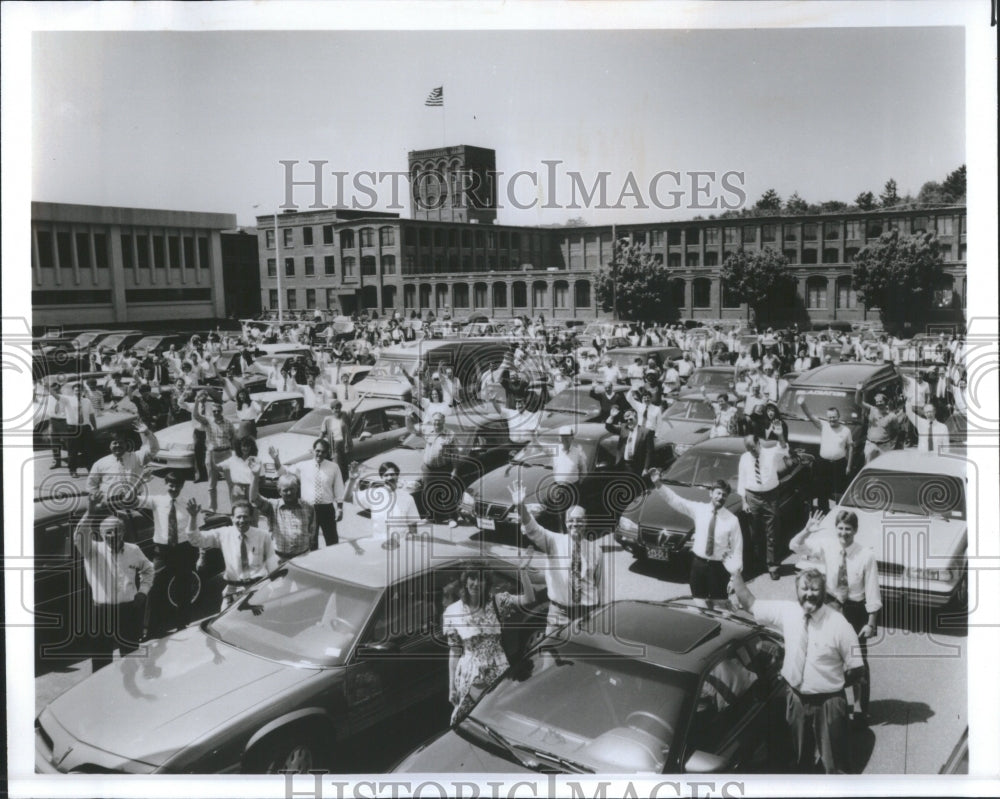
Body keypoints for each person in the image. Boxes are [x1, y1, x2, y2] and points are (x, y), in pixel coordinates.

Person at [729, 568, 863, 774]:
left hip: (829, 702)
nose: (809, 594)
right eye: (804, 588)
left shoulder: (840, 624)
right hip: (797, 699)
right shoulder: (787, 612)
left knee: (834, 765)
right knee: (800, 759)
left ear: (824, 592)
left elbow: (856, 669)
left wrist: (831, 684)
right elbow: (751, 604)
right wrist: (736, 577)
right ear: (797, 590)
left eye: (815, 589)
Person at [789, 510, 880, 723]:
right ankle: (828, 704)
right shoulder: (827, 546)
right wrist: (806, 530)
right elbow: (794, 546)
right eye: (840, 528)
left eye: (848, 529)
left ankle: (860, 709)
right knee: (827, 654)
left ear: (855, 530)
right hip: (830, 605)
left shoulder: (866, 555)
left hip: (854, 610)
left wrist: (871, 622)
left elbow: (872, 590)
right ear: (836, 529)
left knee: (857, 661)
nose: (844, 533)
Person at [444, 561, 536, 722]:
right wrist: (451, 688)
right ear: (465, 580)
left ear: (487, 583)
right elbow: (455, 652)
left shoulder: (497, 602)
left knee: (499, 717)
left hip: (498, 671)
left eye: (481, 579)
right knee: (467, 720)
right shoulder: (453, 612)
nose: (475, 583)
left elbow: (529, 599)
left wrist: (523, 573)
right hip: (469, 677)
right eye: (472, 578)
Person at [511, 483, 605, 636]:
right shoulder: (553, 542)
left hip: (586, 615)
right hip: (559, 615)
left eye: (579, 520)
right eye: (571, 520)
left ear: (586, 522)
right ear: (566, 523)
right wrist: (521, 506)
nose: (575, 524)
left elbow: (600, 586)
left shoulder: (596, 551)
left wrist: (599, 614)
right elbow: (533, 529)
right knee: (550, 657)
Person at [73, 494, 154, 669]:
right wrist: (90, 512)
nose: (113, 535)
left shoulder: (134, 550)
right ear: (101, 535)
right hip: (102, 613)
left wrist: (143, 591)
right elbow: (79, 536)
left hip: (129, 610)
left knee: (131, 657)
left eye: (117, 531)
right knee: (101, 660)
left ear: (123, 532)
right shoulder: (92, 550)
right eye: (108, 532)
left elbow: (149, 569)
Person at [648, 471, 742, 600]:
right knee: (699, 602)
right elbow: (676, 501)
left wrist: (734, 578)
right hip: (698, 565)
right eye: (718, 493)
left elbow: (737, 549)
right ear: (711, 493)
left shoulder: (732, 520)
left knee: (720, 605)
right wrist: (658, 484)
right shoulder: (699, 509)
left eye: (724, 495)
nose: (720, 497)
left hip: (719, 568)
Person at [135, 471, 202, 638]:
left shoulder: (188, 504)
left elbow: (196, 531)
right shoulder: (156, 501)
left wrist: (201, 552)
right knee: (153, 587)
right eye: (171, 485)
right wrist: (140, 481)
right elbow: (128, 500)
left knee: (183, 590)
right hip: (162, 552)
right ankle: (149, 630)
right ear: (165, 485)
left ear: (182, 486)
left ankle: (182, 625)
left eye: (177, 485)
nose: (174, 488)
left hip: (184, 550)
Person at [187, 498, 278, 609]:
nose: (242, 520)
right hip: (233, 590)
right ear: (232, 518)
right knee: (223, 622)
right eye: (238, 517)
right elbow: (196, 540)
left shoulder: (263, 536)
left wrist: (275, 588)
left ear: (251, 518)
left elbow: (272, 564)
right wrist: (192, 517)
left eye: (245, 516)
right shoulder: (224, 534)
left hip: (258, 588)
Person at [737, 434, 793, 580]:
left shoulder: (770, 453)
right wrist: (744, 501)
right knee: (754, 533)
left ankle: (773, 566)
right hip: (752, 496)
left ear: (758, 443)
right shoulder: (744, 458)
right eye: (749, 449)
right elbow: (741, 480)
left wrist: (780, 434)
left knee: (772, 532)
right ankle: (758, 564)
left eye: (753, 448)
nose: (752, 452)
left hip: (770, 496)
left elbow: (783, 448)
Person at [271, 438, 346, 545]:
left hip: (327, 509)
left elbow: (339, 488)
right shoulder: (303, 466)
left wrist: (339, 508)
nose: (320, 454)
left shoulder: (333, 467)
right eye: (318, 451)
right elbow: (283, 472)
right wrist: (276, 459)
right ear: (313, 450)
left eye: (323, 452)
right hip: (308, 509)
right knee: (310, 541)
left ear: (327, 453)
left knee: (332, 540)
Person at [405, 410, 460, 527]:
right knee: (427, 492)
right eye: (435, 421)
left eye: (439, 421)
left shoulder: (450, 435)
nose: (437, 424)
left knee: (446, 492)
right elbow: (411, 429)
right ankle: (430, 517)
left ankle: (451, 518)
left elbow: (455, 453)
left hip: (443, 468)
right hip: (428, 468)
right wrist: (407, 417)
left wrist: (455, 469)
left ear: (443, 421)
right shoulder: (427, 431)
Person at [798, 398, 853, 512]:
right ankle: (823, 513)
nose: (832, 419)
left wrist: (848, 466)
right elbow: (810, 415)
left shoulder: (846, 430)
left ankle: (839, 513)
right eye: (830, 417)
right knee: (822, 491)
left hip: (839, 464)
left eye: (834, 417)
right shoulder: (824, 426)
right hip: (823, 464)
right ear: (827, 418)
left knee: (838, 492)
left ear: (839, 417)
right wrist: (802, 403)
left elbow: (851, 448)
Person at [250, 471, 318, 560]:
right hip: (279, 558)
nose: (289, 493)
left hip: (303, 557)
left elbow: (312, 531)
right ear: (279, 491)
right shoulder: (273, 506)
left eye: (292, 489)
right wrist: (255, 476)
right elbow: (254, 499)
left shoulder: (308, 506)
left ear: (297, 488)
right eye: (285, 490)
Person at [87, 422, 160, 498]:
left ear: (126, 444)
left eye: (121, 442)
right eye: (115, 443)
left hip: (135, 498)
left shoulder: (137, 457)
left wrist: (147, 432)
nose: (118, 445)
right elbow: (91, 484)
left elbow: (154, 449)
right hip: (111, 500)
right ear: (109, 446)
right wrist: (97, 497)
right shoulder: (100, 463)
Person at [193, 395, 234, 513]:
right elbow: (196, 415)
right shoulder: (208, 421)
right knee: (211, 484)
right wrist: (196, 401)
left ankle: (234, 507)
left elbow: (233, 437)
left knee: (231, 483)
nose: (216, 413)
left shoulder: (228, 423)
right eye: (214, 411)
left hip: (226, 454)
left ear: (221, 411)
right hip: (211, 454)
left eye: (218, 411)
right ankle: (212, 508)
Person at [367, 461, 421, 544]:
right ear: (381, 477)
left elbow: (413, 526)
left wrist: (411, 542)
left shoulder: (407, 498)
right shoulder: (374, 496)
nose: (389, 478)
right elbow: (348, 497)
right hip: (379, 543)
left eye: (392, 474)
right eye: (386, 475)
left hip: (401, 543)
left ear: (397, 476)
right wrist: (352, 480)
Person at [605, 406, 654, 477]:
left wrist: (646, 468)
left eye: (631, 419)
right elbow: (608, 427)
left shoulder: (646, 432)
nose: (628, 422)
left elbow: (649, 452)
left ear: (636, 417)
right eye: (626, 420)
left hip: (637, 467)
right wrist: (612, 416)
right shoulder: (623, 428)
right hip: (622, 465)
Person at [62, 382, 98, 478]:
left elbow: (91, 415)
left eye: (80, 390)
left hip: (85, 427)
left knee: (89, 450)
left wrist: (95, 427)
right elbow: (56, 396)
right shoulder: (67, 400)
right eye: (76, 390)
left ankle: (91, 469)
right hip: (73, 428)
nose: (78, 392)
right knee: (72, 451)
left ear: (82, 391)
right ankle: (73, 470)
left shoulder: (87, 401)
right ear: (73, 391)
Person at [856, 389, 903, 462]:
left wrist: (890, 443)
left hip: (885, 446)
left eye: (881, 401)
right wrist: (858, 391)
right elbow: (858, 402)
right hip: (871, 445)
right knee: (869, 467)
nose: (879, 403)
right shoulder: (872, 410)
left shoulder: (892, 416)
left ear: (885, 402)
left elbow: (896, 431)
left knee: (883, 466)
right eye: (877, 402)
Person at [217, 435, 260, 508]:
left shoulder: (256, 460)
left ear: (252, 447)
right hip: (238, 489)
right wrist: (210, 455)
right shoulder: (233, 459)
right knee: (237, 510)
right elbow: (217, 467)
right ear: (239, 447)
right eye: (243, 446)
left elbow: (262, 479)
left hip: (251, 489)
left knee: (252, 511)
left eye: (248, 446)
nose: (245, 448)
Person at [320, 400, 355, 480]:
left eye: (339, 408)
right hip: (335, 446)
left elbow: (352, 411)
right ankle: (337, 483)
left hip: (345, 445)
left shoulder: (344, 416)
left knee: (346, 466)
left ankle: (346, 484)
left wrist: (361, 399)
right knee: (336, 466)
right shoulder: (327, 420)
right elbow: (322, 432)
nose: (337, 410)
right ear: (332, 410)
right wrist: (317, 443)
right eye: (335, 408)